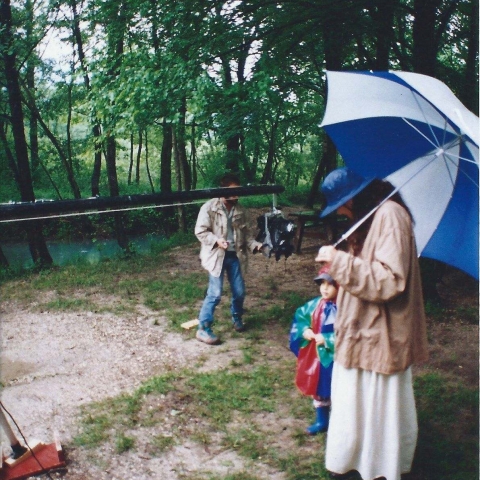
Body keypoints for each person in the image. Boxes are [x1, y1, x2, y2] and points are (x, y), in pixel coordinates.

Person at [315, 167, 429, 480]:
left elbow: (390, 281)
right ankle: (354, 462)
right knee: (355, 402)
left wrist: (340, 262)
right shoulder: (371, 216)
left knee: (377, 405)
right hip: (361, 330)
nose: (340, 210)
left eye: (341, 203)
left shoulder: (390, 215)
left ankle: (377, 468)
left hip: (381, 332)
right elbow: (366, 270)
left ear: (357, 196)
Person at [195, 173, 263, 345]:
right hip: (216, 256)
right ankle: (203, 328)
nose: (236, 196)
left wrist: (257, 245)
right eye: (232, 192)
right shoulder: (209, 207)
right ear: (223, 191)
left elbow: (247, 236)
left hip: (235, 256)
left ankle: (237, 317)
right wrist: (216, 241)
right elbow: (200, 231)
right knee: (215, 293)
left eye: (238, 192)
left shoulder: (241, 210)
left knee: (239, 291)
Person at [289, 265, 338, 435]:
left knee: (338, 388)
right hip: (317, 358)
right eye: (322, 283)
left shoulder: (345, 310)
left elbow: (352, 335)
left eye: (330, 284)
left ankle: (341, 422)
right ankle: (322, 420)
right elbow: (301, 317)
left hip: (336, 360)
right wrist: (305, 330)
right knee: (319, 388)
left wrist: (329, 339)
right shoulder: (315, 305)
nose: (324, 288)